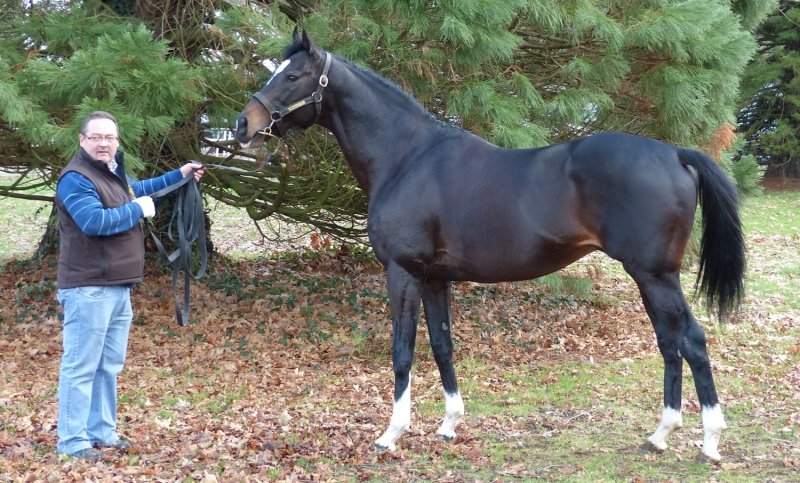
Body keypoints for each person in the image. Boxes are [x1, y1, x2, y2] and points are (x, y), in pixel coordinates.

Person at [54, 111, 204, 461]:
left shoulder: (112, 173)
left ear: (117, 142)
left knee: (107, 366)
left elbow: (140, 190)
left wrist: (180, 175)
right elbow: (94, 222)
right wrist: (137, 210)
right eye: (96, 137)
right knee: (81, 366)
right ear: (82, 140)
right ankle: (72, 441)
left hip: (117, 286)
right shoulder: (75, 179)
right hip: (88, 287)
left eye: (109, 138)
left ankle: (102, 432)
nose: (103, 143)